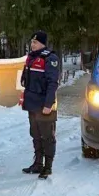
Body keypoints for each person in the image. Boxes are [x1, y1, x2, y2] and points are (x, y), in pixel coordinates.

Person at [20, 30, 61, 179]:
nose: (32, 44)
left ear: (42, 43)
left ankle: (48, 167)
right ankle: (37, 163)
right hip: (32, 103)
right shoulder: (31, 58)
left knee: (47, 137)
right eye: (32, 41)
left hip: (44, 105)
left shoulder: (50, 58)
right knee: (35, 135)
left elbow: (52, 83)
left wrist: (48, 104)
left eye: (35, 42)